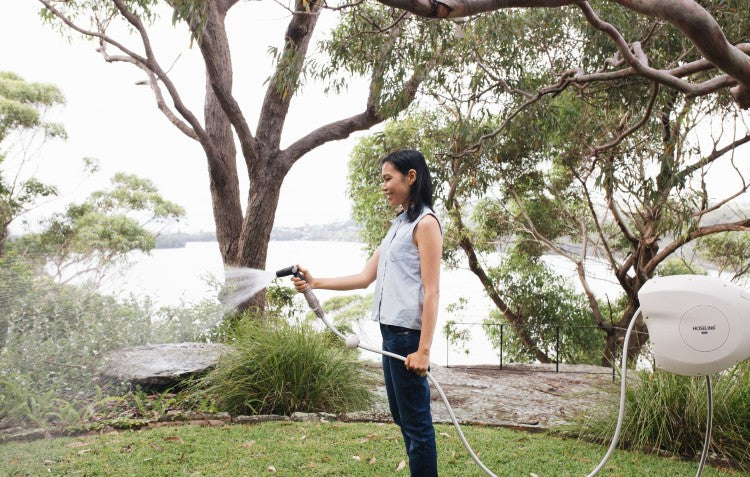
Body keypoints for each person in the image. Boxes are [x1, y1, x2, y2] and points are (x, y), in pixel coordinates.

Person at [292, 149, 442, 476]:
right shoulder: (399, 225)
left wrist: (423, 350)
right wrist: (316, 282)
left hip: (407, 338)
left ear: (411, 176)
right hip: (390, 334)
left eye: (388, 178)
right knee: (403, 418)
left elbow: (432, 291)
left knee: (417, 424)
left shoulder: (426, 224)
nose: (384, 186)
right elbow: (364, 277)